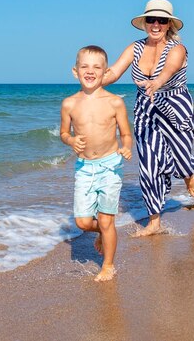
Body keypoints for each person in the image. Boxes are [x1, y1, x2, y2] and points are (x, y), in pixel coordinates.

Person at [103, 0, 194, 237]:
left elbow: (170, 68)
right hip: (146, 108)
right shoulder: (134, 48)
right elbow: (114, 72)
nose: (155, 24)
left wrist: (157, 82)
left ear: (169, 25)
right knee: (149, 163)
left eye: (162, 20)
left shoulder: (178, 48)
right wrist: (93, 79)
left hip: (175, 106)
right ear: (144, 22)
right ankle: (154, 221)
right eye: (151, 19)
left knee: (180, 153)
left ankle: (187, 174)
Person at [60, 45, 133, 281]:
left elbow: (126, 133)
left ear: (105, 71)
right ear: (75, 71)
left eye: (96, 67)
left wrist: (126, 148)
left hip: (110, 165)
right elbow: (63, 133)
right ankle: (103, 232)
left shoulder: (115, 103)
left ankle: (108, 265)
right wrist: (71, 140)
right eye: (84, 66)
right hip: (84, 167)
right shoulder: (69, 104)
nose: (90, 71)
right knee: (83, 222)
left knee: (105, 218)